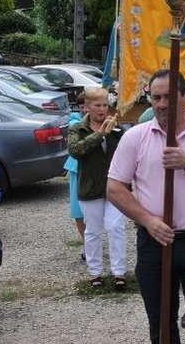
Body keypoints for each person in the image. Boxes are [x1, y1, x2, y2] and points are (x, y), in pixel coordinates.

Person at [107, 69, 185, 343]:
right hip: (155, 243)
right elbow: (115, 188)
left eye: (168, 97)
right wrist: (147, 220)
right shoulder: (136, 137)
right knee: (162, 323)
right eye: (156, 98)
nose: (162, 104)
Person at [68, 88, 126, 289]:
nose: (102, 109)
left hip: (114, 187)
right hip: (90, 188)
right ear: (87, 107)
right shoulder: (77, 128)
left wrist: (116, 133)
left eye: (104, 105)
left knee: (115, 227)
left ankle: (119, 272)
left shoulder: (116, 128)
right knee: (92, 230)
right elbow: (76, 151)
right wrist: (100, 134)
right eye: (97, 105)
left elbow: (126, 154)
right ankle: (95, 273)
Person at [64, 92, 86, 261]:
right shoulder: (75, 123)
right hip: (77, 168)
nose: (86, 108)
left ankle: (93, 240)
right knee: (78, 209)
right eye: (83, 105)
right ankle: (87, 243)